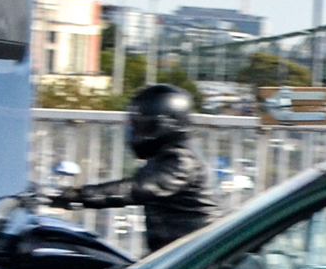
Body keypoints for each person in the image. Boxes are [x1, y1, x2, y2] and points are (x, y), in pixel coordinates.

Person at [62, 84, 219, 251]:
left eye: (144, 126)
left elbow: (139, 188)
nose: (138, 133)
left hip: (193, 258)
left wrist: (76, 195)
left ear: (168, 125)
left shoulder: (181, 159)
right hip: (179, 253)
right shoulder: (169, 153)